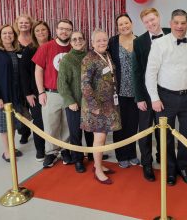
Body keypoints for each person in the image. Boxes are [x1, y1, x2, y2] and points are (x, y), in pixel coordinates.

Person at [145, 9, 187, 186]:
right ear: (170, 22)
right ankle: (170, 170)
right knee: (165, 136)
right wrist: (154, 98)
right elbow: (150, 73)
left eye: (183, 23)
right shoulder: (159, 44)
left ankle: (184, 167)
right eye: (176, 22)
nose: (179, 26)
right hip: (165, 97)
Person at [132, 7, 170, 182]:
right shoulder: (139, 42)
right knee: (146, 130)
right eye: (146, 22)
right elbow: (137, 72)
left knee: (164, 130)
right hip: (146, 95)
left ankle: (163, 158)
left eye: (152, 20)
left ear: (159, 18)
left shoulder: (172, 33)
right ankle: (146, 163)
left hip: (168, 93)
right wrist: (139, 97)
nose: (150, 24)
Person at [81, 30, 121, 185]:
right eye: (98, 41)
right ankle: (97, 170)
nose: (102, 43)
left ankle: (99, 164)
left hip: (109, 105)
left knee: (102, 138)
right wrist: (93, 106)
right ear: (92, 43)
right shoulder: (88, 59)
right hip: (96, 107)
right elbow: (85, 85)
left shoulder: (106, 55)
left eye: (104, 40)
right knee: (99, 138)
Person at [33, 19, 73, 168]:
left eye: (68, 29)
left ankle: (65, 150)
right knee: (51, 124)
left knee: (68, 124)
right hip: (51, 93)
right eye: (61, 28)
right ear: (56, 30)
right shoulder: (46, 47)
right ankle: (51, 152)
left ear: (71, 31)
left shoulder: (73, 47)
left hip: (69, 94)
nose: (64, 32)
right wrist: (41, 92)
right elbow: (38, 70)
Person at [58, 31, 94, 173]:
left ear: (84, 41)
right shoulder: (67, 60)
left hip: (90, 103)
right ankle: (78, 159)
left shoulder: (90, 56)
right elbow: (62, 84)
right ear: (71, 42)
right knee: (76, 133)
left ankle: (92, 154)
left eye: (80, 38)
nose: (78, 41)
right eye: (74, 39)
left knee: (91, 130)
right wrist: (70, 101)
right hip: (74, 104)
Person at [108, 13, 140, 168]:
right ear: (117, 27)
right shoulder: (113, 42)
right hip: (118, 92)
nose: (124, 26)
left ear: (131, 23)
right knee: (120, 125)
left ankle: (132, 154)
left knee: (133, 125)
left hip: (136, 93)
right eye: (120, 24)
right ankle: (121, 155)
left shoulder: (140, 41)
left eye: (126, 23)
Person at [19, 21, 52, 162]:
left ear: (48, 31)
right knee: (39, 121)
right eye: (37, 31)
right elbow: (23, 73)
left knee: (53, 122)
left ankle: (55, 149)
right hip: (35, 93)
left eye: (43, 30)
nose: (40, 33)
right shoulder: (29, 50)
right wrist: (28, 93)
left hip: (53, 91)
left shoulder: (54, 46)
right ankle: (40, 150)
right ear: (34, 33)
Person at [0, 25, 23, 162]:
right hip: (3, 95)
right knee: (5, 126)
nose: (8, 35)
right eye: (4, 33)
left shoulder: (17, 50)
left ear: (14, 35)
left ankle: (12, 147)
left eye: (10, 33)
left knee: (13, 123)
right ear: (0, 36)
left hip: (16, 94)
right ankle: (7, 152)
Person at [14, 14, 34, 144]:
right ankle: (24, 132)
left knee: (34, 105)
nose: (24, 25)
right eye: (21, 23)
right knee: (20, 107)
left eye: (26, 23)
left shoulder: (34, 39)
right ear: (17, 24)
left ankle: (40, 131)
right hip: (16, 79)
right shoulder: (14, 40)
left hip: (31, 76)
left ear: (30, 24)